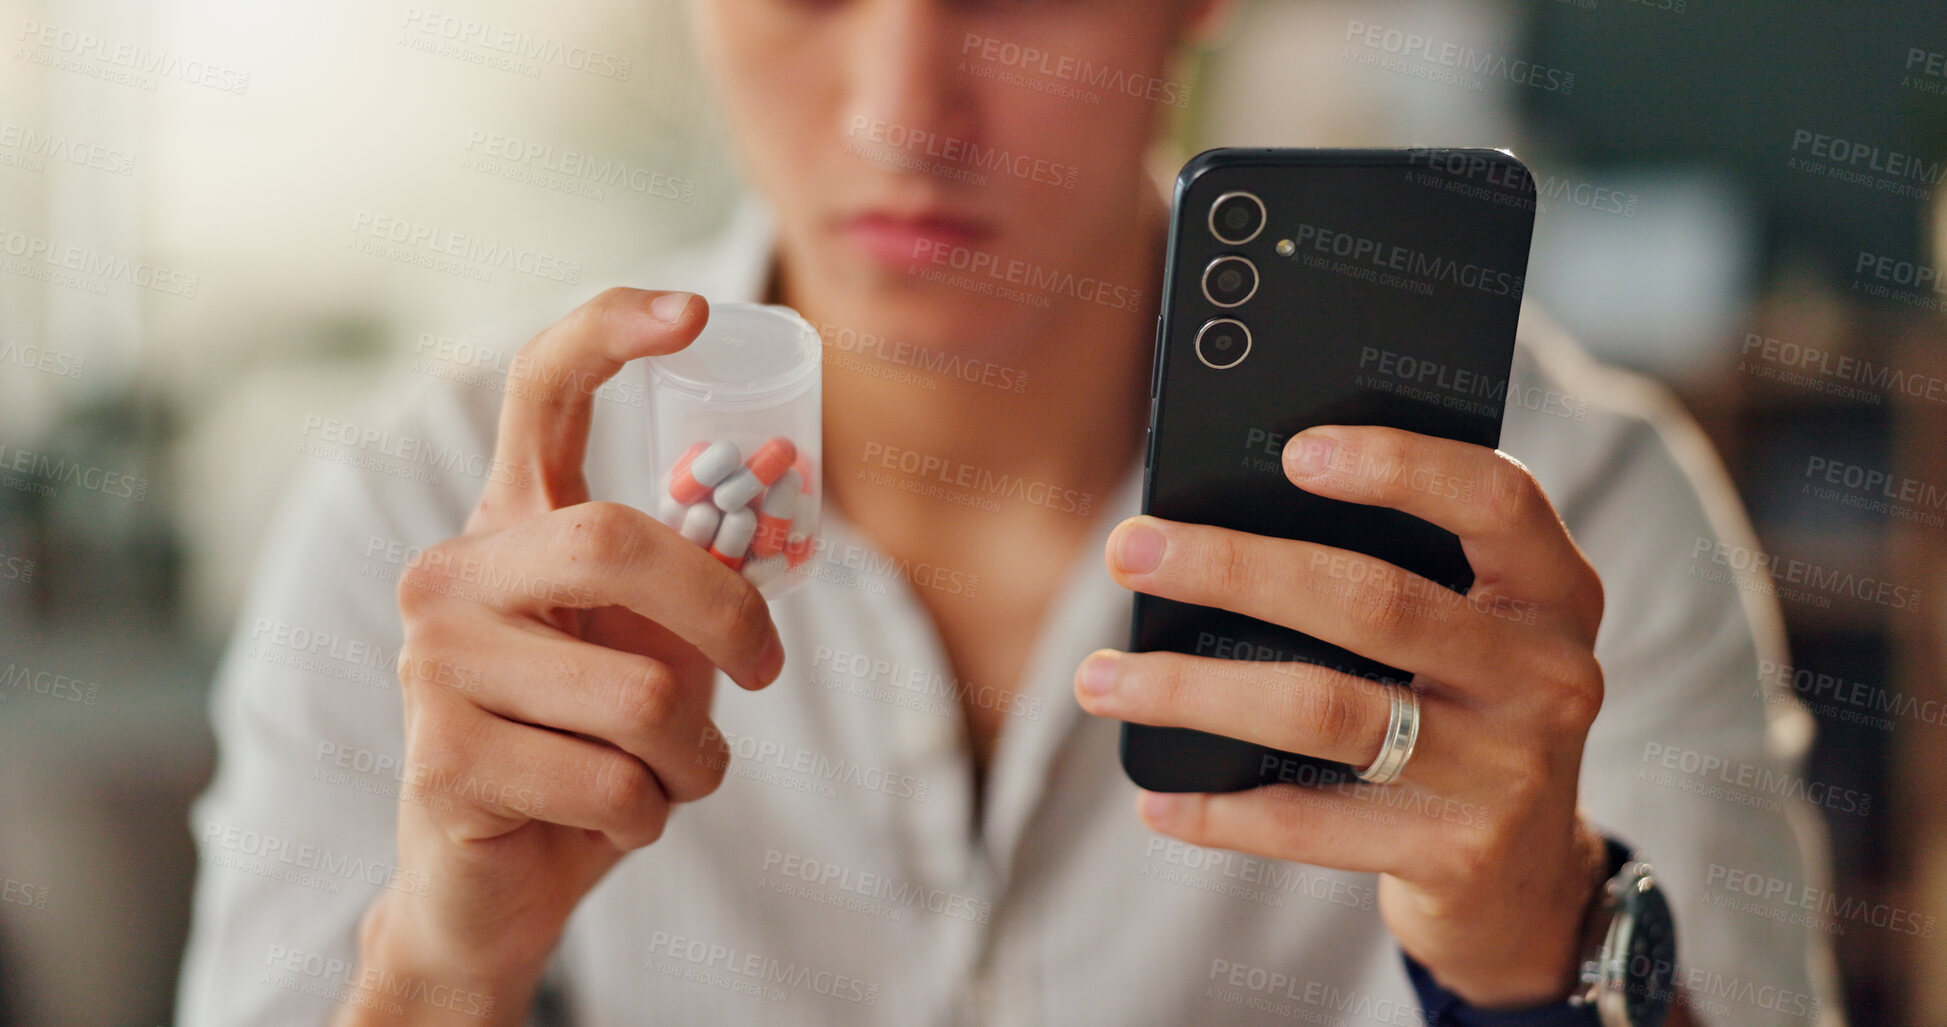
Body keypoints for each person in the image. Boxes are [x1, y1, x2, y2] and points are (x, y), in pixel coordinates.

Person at [177, 1, 1844, 1024]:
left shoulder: (1566, 524)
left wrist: (1530, 960)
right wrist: (437, 977)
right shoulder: (433, 525)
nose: (906, 105)